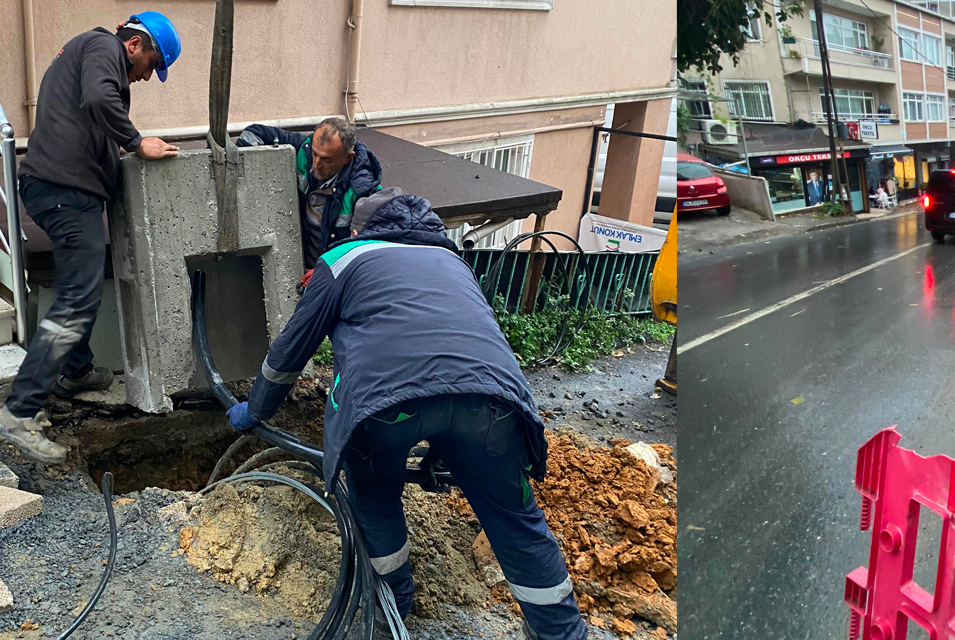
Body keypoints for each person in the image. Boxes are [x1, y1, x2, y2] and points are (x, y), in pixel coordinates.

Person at [226, 188, 587, 640]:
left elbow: (287, 354)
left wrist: (254, 410)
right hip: (494, 404)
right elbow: (449, 362)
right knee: (516, 518)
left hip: (385, 407)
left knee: (374, 490)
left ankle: (391, 606)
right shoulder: (454, 263)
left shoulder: (343, 258)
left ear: (359, 230)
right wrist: (446, 446)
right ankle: (561, 633)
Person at [0, 13, 182, 464]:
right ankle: (19, 412)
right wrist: (139, 143)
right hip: (65, 191)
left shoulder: (86, 53)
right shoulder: (104, 48)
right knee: (79, 298)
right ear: (136, 45)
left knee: (79, 285)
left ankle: (77, 371)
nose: (143, 78)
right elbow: (102, 98)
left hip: (60, 188)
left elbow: (94, 115)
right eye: (149, 66)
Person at [235, 117, 382, 285]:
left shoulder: (363, 190)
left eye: (326, 159)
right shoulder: (303, 148)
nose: (316, 164)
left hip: (329, 274)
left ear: (347, 158)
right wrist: (239, 169)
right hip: (297, 259)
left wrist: (329, 268)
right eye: (315, 154)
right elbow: (255, 132)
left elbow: (368, 250)